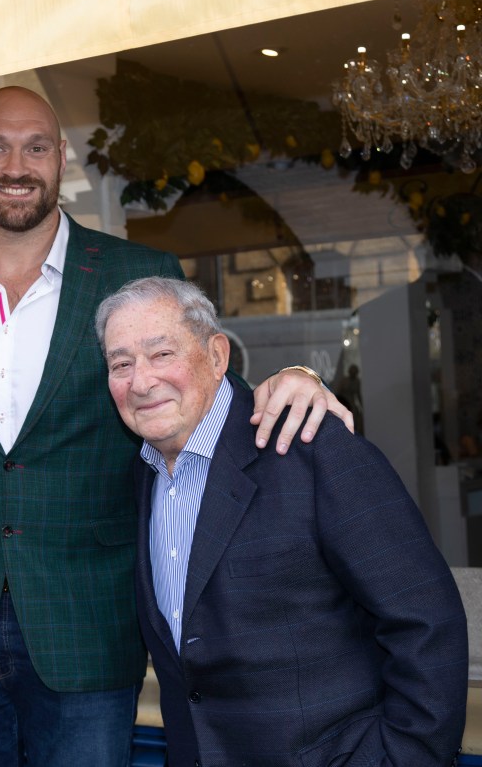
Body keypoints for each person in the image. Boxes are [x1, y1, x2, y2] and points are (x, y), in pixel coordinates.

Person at [0, 85, 354, 766]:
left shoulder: (135, 271)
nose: (16, 164)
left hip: (87, 625)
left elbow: (197, 392)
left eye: (36, 146)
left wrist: (296, 376)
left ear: (62, 157)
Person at [95, 276, 468, 767]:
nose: (141, 381)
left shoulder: (310, 448)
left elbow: (426, 621)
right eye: (121, 363)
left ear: (216, 356)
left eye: (162, 354)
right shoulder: (141, 475)